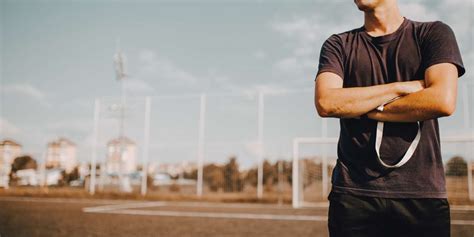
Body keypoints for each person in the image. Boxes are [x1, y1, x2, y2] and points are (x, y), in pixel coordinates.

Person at [314, 0, 466, 236]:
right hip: (354, 194)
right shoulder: (338, 44)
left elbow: (442, 100)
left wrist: (364, 107)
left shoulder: (434, 33)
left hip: (421, 194)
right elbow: (326, 102)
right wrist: (399, 88)